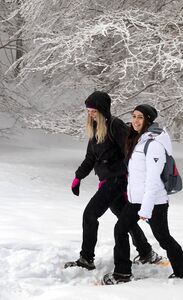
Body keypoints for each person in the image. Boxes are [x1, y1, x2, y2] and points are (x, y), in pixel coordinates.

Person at [67, 91, 160, 270]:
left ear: (102, 110)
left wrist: (132, 180)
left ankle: (86, 259)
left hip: (117, 180)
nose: (90, 115)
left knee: (90, 214)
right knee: (125, 218)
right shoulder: (95, 128)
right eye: (88, 111)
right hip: (108, 180)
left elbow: (130, 153)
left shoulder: (115, 125)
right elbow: (90, 158)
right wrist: (78, 176)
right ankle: (147, 252)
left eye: (94, 111)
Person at [102, 104, 183, 284]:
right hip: (137, 200)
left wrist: (146, 208)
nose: (135, 121)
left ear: (148, 120)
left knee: (163, 238)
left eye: (140, 117)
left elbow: (153, 179)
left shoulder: (154, 144)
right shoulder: (140, 140)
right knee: (120, 229)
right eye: (134, 116)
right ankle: (122, 273)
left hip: (154, 201)